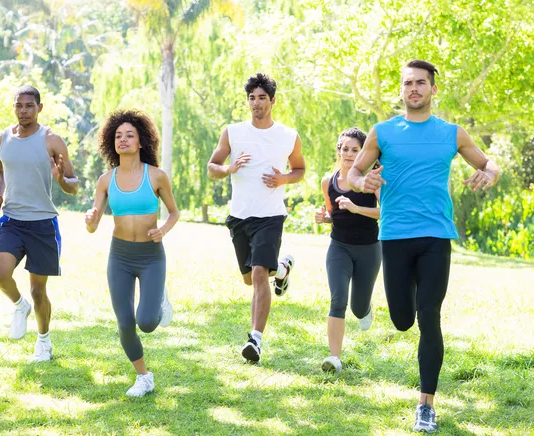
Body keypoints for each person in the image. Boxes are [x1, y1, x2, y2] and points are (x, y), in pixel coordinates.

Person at [348, 60, 500, 433]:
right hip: (395, 236)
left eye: (420, 83)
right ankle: (405, 296)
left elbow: (488, 163)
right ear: (401, 91)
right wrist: (361, 181)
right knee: (403, 320)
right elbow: (351, 173)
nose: (413, 88)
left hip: (435, 236)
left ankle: (426, 405)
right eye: (407, 84)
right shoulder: (382, 133)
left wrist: (490, 173)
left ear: (433, 89)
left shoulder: (452, 133)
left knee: (429, 315)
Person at [207, 72, 305, 364]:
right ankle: (283, 269)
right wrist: (229, 168)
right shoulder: (233, 132)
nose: (256, 103)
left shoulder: (288, 135)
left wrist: (283, 179)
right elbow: (212, 166)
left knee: (261, 273)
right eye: (252, 98)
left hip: (270, 215)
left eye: (262, 97)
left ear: (272, 101)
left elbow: (299, 170)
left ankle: (255, 341)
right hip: (239, 216)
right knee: (250, 279)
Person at [84, 109, 179, 398]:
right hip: (120, 257)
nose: (123, 140)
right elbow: (94, 223)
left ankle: (159, 297)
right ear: (111, 143)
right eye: (118, 136)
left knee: (147, 323)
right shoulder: (105, 180)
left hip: (151, 256)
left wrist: (163, 229)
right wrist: (90, 220)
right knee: (125, 324)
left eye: (129, 135)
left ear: (141, 142)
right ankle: (143, 376)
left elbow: (174, 212)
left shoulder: (157, 176)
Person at [0, 85, 79, 362]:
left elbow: (73, 185)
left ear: (39, 108)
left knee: (38, 290)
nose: (23, 110)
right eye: (19, 105)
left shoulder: (51, 140)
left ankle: (43, 342)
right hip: (11, 219)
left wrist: (61, 179)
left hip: (42, 223)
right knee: (0, 270)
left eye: (29, 105)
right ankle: (19, 306)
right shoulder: (1, 139)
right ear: (14, 107)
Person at [314, 127, 381, 374]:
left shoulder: (373, 179)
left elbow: (387, 213)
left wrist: (356, 208)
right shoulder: (328, 181)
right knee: (338, 299)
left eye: (355, 150)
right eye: (345, 149)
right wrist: (325, 217)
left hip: (369, 248)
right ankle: (334, 358)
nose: (349, 154)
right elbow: (335, 213)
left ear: (364, 153)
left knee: (357, 306)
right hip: (339, 247)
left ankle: (365, 309)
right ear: (338, 151)